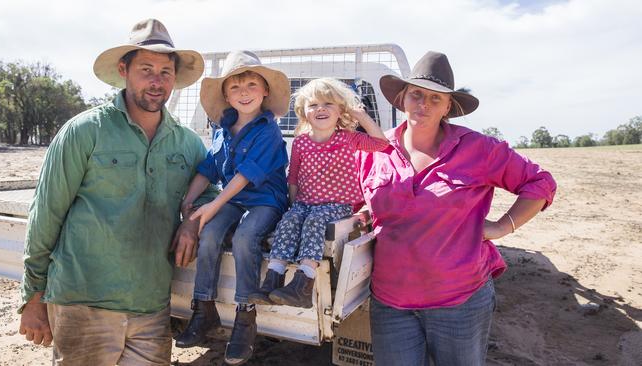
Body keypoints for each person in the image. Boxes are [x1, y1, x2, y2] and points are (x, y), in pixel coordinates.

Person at [18, 19, 216, 365]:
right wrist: (34, 296)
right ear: (124, 70)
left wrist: (191, 222)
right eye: (146, 70)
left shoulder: (186, 143)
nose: (157, 82)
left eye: (166, 72)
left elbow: (209, 193)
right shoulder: (84, 131)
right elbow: (46, 215)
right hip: (83, 302)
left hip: (151, 308)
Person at [356, 51, 557, 365]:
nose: (423, 104)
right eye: (416, 95)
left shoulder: (478, 149)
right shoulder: (374, 150)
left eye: (435, 99)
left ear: (448, 106)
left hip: (460, 302)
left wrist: (504, 226)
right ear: (402, 98)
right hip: (390, 303)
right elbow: (356, 204)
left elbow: (540, 182)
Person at [173, 50, 290, 366]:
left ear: (265, 90)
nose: (244, 93)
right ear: (226, 94)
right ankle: (203, 308)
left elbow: (243, 177)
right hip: (234, 199)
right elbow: (209, 168)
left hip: (266, 199)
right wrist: (189, 200)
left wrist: (211, 205)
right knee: (208, 233)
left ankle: (245, 316)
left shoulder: (269, 129)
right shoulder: (222, 128)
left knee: (244, 237)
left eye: (252, 85)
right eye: (235, 88)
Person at [247, 78, 389, 308]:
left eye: (328, 104)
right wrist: (293, 206)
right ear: (304, 112)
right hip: (305, 202)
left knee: (314, 221)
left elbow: (380, 144)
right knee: (289, 220)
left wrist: (359, 114)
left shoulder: (348, 138)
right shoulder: (301, 142)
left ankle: (304, 283)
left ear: (340, 110)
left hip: (338, 204)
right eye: (313, 105)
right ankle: (273, 279)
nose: (320, 109)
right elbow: (293, 177)